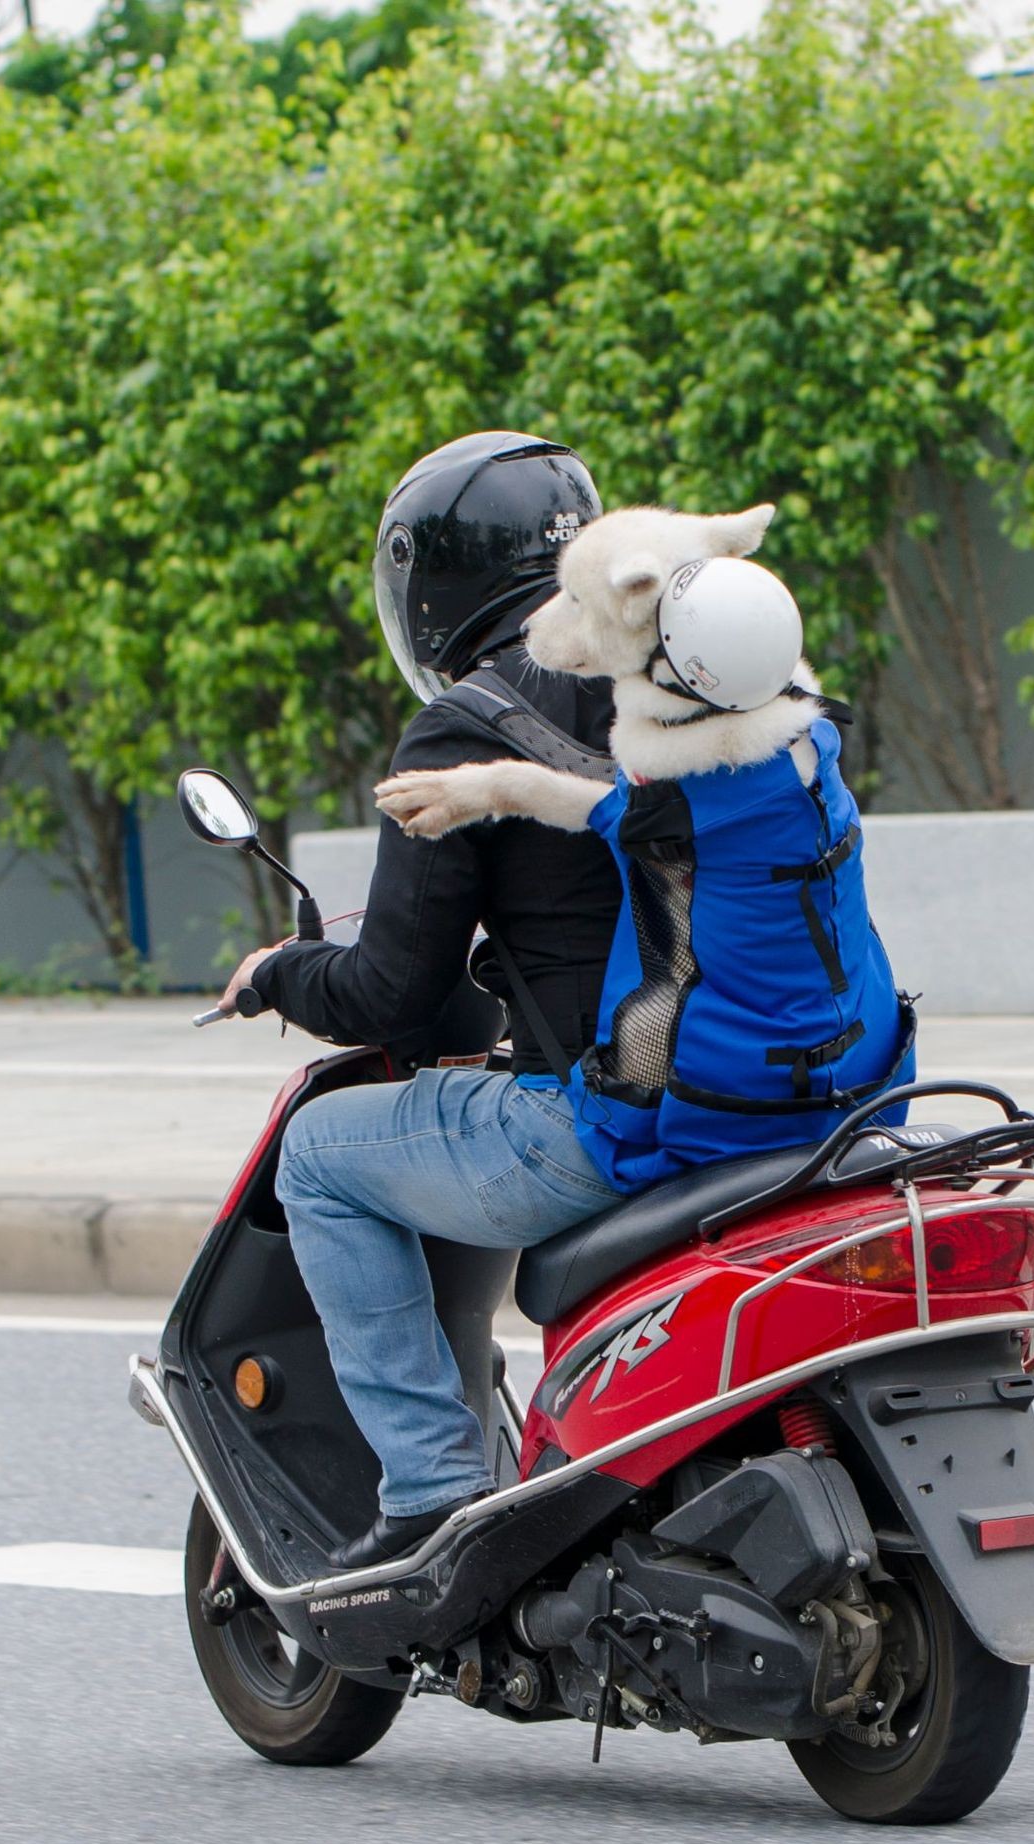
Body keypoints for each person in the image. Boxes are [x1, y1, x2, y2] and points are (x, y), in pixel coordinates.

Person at [218, 431, 626, 1569]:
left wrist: (277, 975)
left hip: (613, 1121)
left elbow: (396, 991)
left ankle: (432, 1492)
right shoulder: (687, 684)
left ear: (432, 584)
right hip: (805, 1105)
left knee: (323, 1155)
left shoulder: (466, 729)